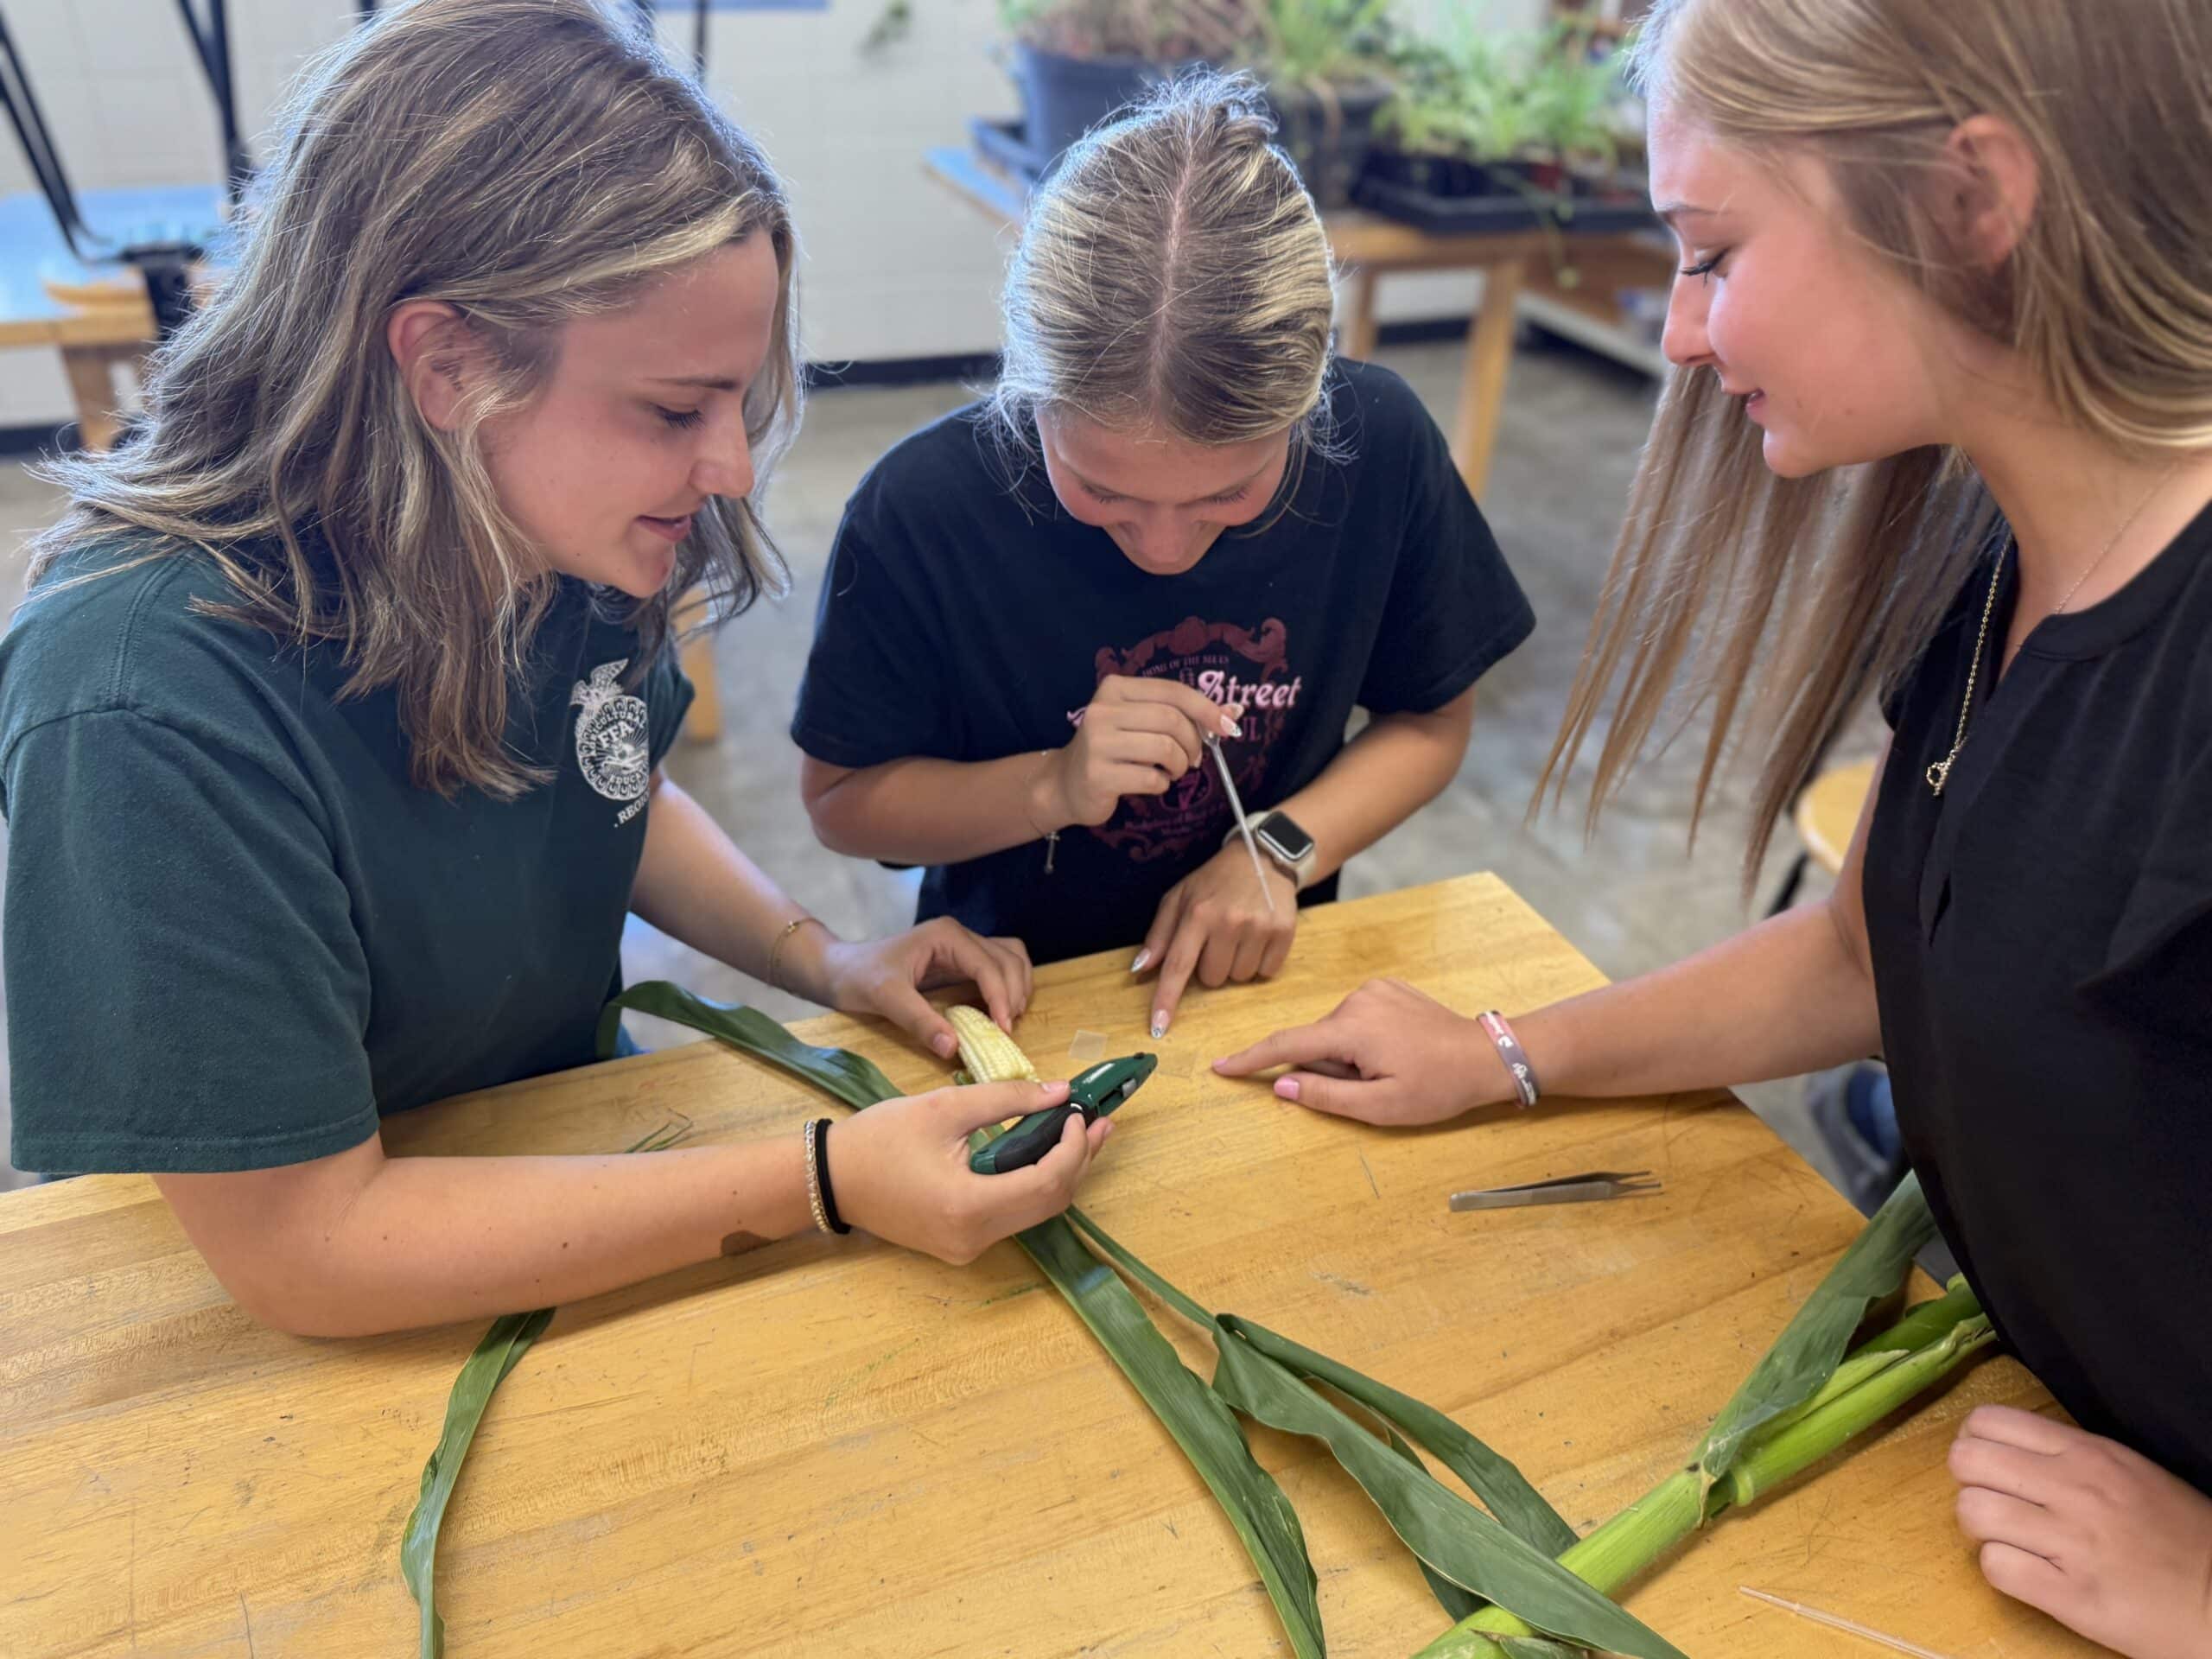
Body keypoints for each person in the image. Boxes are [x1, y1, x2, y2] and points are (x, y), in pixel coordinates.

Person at [1216, 3, 2212, 1653]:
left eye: (1714, 252)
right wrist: (1505, 1052)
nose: (1681, 333)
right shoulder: (2003, 546)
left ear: (1972, 204)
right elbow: (1872, 951)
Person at [0, 0, 1108, 1338]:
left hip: (556, 1169)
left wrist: (824, 959)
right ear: (448, 363)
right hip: (289, 1309)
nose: (732, 471)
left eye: (736, 403)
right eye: (671, 409)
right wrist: (825, 1180)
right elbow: (307, 1249)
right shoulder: (142, 707)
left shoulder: (538, 523)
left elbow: (605, 787)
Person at [791, 74, 1535, 1039]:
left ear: (1307, 411)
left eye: (1228, 495)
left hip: (1262, 980)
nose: (1165, 548)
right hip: (1009, 998)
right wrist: (1052, 787)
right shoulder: (921, 511)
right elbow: (844, 804)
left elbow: (1430, 723)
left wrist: (1277, 851)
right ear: (1030, 395)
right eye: (1102, 491)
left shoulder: (1377, 444)